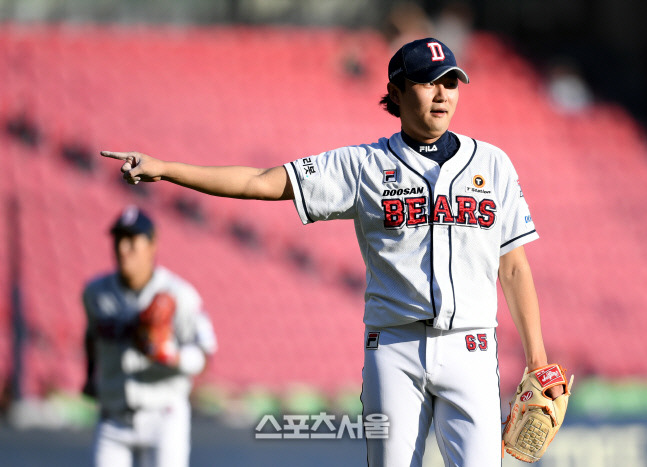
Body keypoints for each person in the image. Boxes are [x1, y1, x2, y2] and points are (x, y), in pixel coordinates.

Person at [101, 38, 565, 467]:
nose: (442, 93)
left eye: (450, 82)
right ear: (398, 91)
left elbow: (515, 267)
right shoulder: (362, 165)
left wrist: (537, 359)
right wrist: (166, 169)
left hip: (473, 346)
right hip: (394, 349)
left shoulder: (493, 164)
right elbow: (261, 182)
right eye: (428, 82)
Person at [82, 205, 217, 467]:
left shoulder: (180, 294)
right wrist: (89, 378)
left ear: (153, 244)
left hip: (163, 415)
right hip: (113, 416)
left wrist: (172, 355)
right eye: (119, 240)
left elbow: (205, 355)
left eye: (132, 241)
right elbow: (91, 337)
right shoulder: (96, 293)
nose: (123, 249)